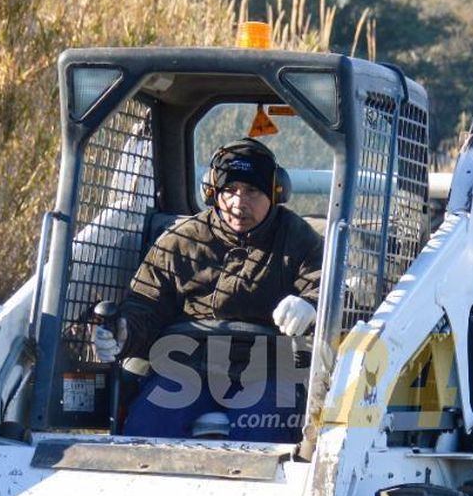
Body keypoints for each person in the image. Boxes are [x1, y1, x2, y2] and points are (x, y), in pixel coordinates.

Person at [92, 138, 322, 442]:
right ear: (212, 193)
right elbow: (145, 306)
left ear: (276, 192)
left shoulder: (299, 239)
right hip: (185, 366)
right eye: (230, 190)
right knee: (145, 431)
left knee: (265, 434)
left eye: (252, 191)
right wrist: (123, 332)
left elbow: (329, 290)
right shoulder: (180, 240)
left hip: (268, 371)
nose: (239, 203)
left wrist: (311, 306)